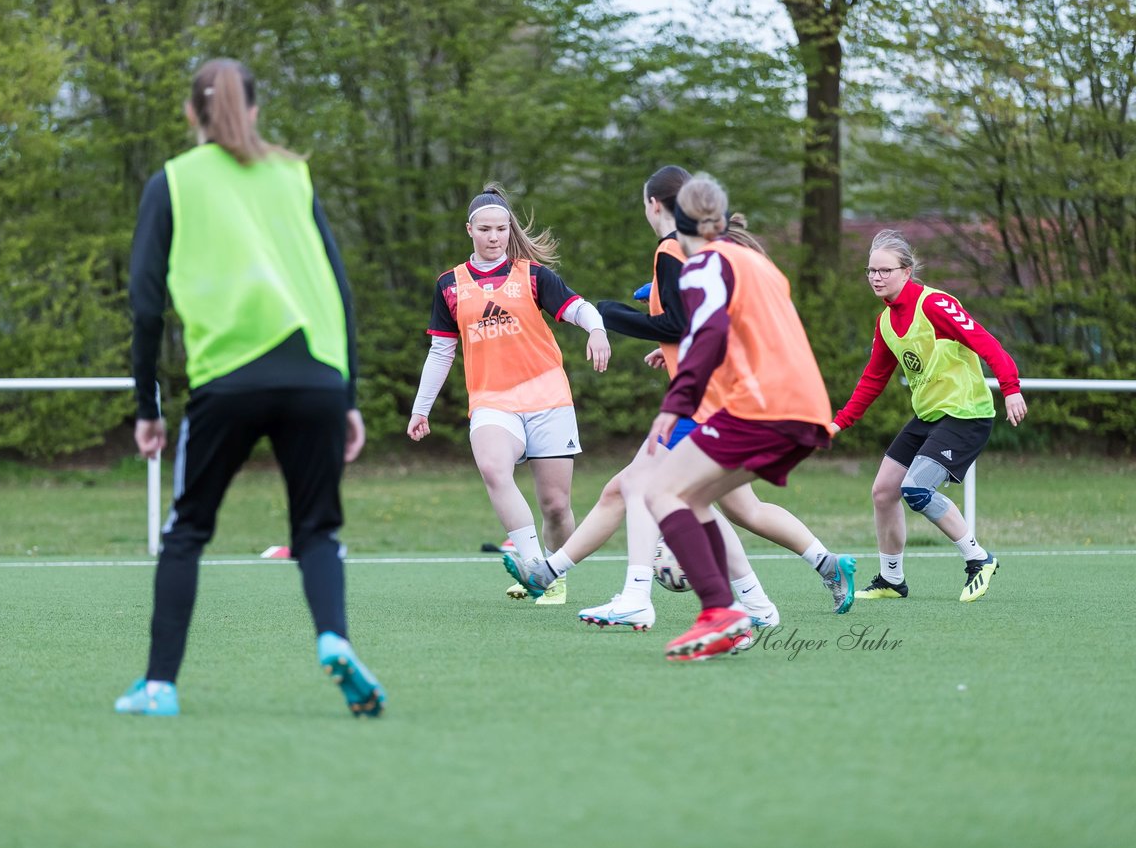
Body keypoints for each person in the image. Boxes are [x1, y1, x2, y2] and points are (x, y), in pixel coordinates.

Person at [116, 58, 384, 718]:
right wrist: (346, 393)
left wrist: (146, 405)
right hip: (317, 375)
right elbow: (340, 289)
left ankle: (158, 686)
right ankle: (334, 638)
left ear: (190, 113)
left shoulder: (172, 181)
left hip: (229, 377)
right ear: (256, 111)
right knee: (317, 531)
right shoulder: (293, 175)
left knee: (187, 533)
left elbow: (145, 305)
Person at [504, 167, 854, 634]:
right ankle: (755, 604)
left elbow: (689, 328)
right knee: (705, 501)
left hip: (738, 404)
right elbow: (713, 325)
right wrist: (673, 340)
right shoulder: (741, 258)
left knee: (647, 488)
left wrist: (615, 318)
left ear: (656, 205)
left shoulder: (678, 251)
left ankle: (638, 595)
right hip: (787, 406)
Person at [407, 184, 611, 606]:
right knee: (494, 469)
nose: (494, 236)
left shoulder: (533, 275)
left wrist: (597, 329)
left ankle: (554, 572)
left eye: (501, 228)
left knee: (555, 505)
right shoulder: (450, 285)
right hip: (492, 401)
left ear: (509, 229)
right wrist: (420, 409)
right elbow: (441, 351)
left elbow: (580, 308)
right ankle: (539, 571)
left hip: (548, 397)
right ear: (470, 230)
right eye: (485, 229)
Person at [831, 229, 1027, 602]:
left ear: (906, 272)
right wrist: (839, 422)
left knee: (916, 489)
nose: (876, 277)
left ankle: (979, 558)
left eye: (885, 270)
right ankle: (892, 580)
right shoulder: (886, 322)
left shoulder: (934, 305)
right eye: (871, 270)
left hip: (966, 414)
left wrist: (1011, 387)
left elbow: (986, 342)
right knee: (883, 491)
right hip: (930, 416)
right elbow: (873, 378)